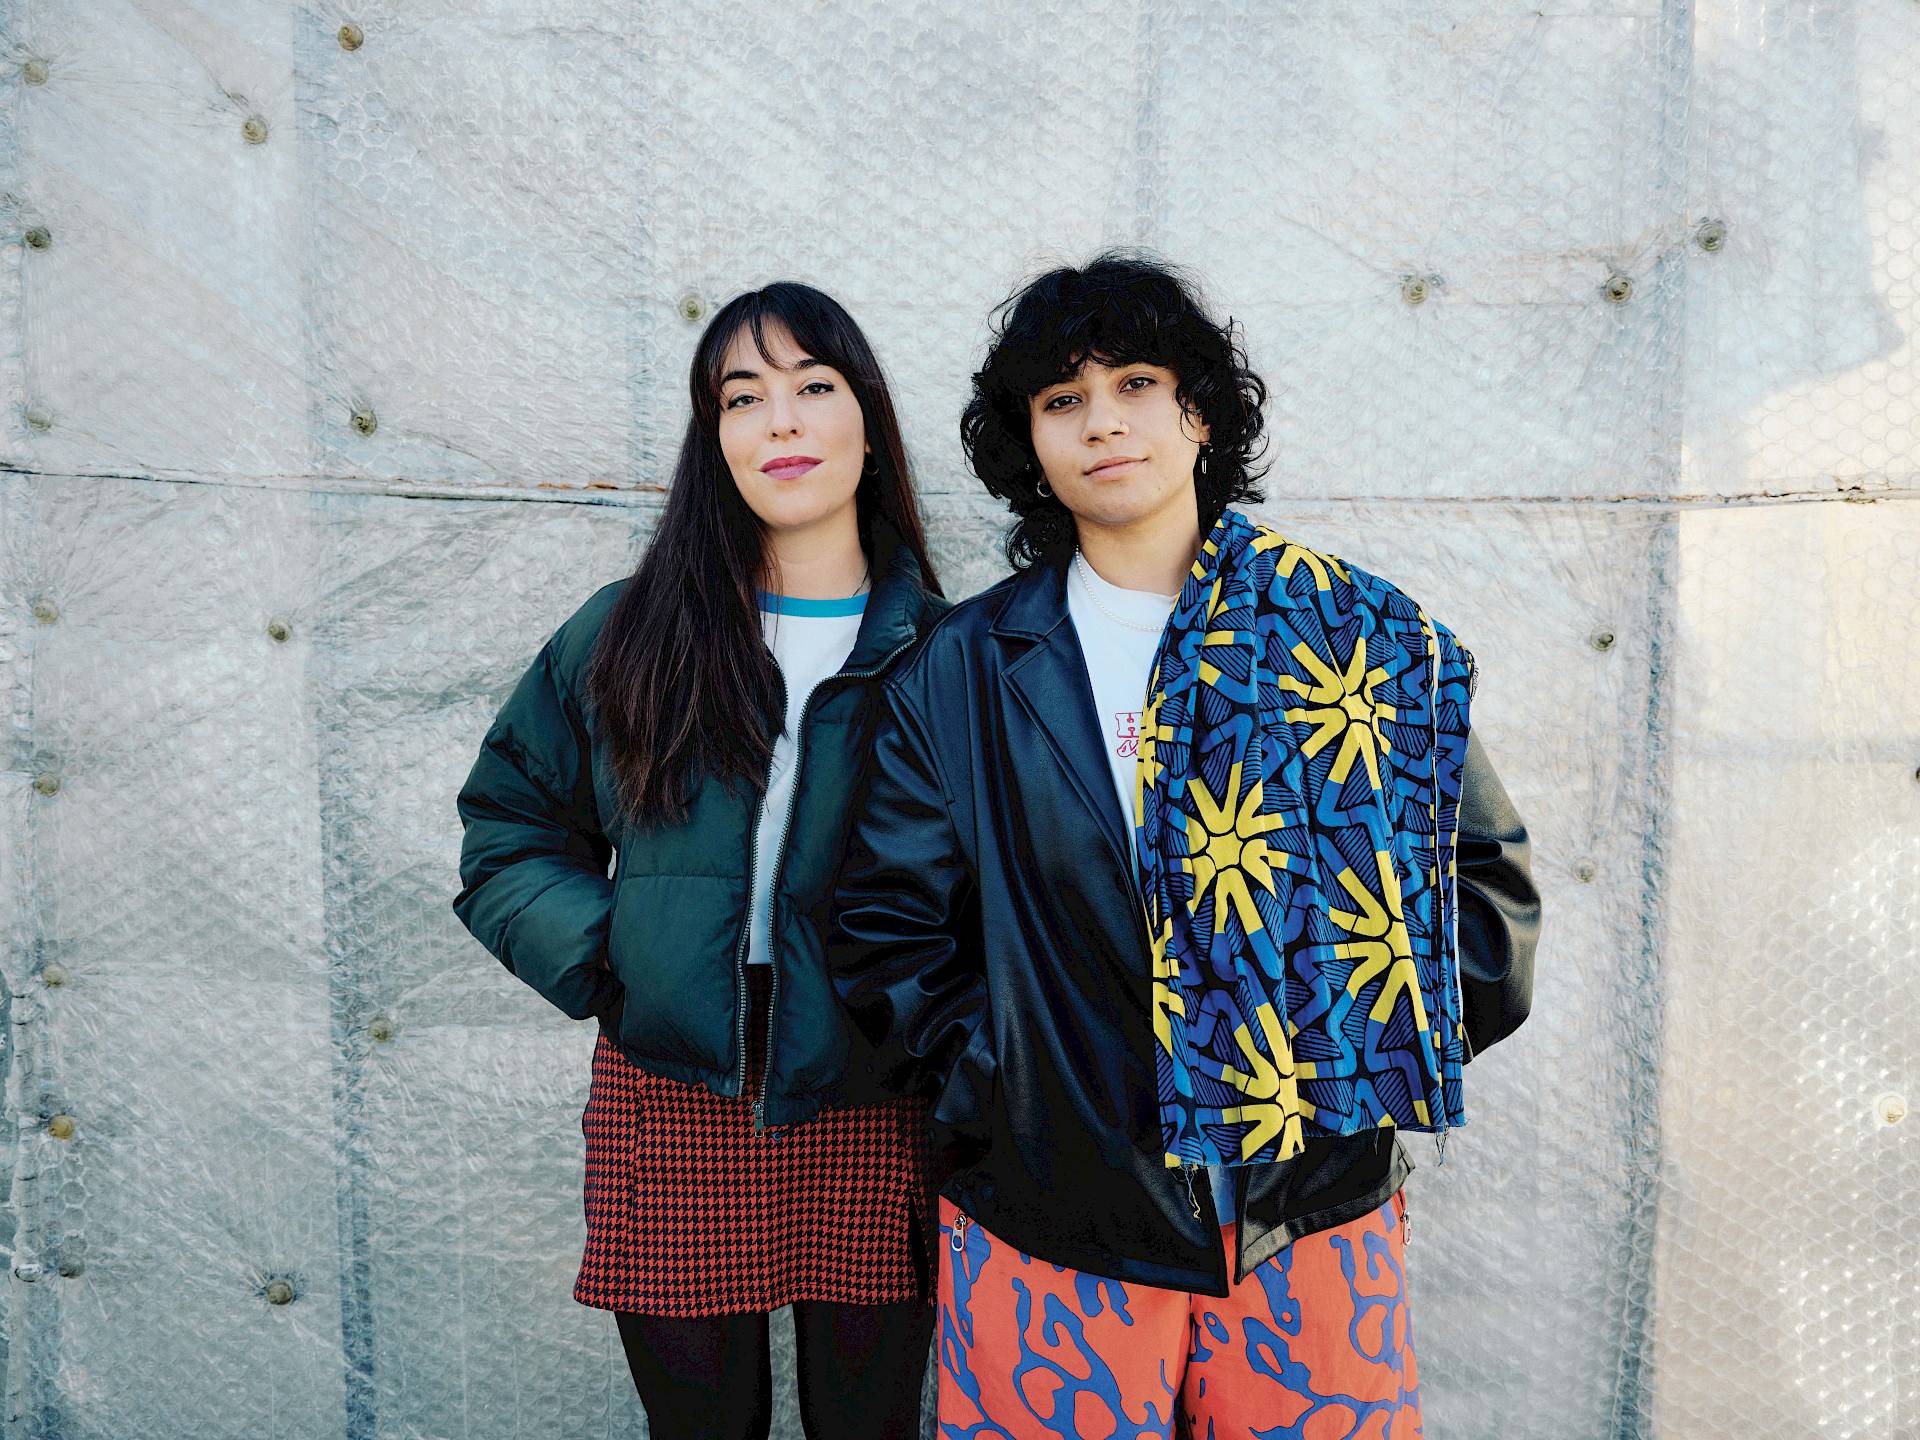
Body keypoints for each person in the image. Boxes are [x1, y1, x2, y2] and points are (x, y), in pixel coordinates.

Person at [828, 251, 1541, 1437]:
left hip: (1313, 1218)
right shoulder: (960, 673)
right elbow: (886, 933)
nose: (1104, 423)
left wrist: (1351, 1055)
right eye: (1063, 400)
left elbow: (1482, 891)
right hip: (1055, 1223)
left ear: (1199, 413)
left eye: (1137, 385)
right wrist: (1024, 1093)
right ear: (1031, 446)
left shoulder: (1351, 635)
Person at [452, 282, 947, 1440]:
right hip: (674, 1080)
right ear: (712, 437)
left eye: (813, 386)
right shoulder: (629, 633)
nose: (782, 421)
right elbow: (509, 830)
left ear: (868, 424)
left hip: (872, 1085)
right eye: (743, 397)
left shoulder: (949, 651)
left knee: (870, 1426)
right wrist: (614, 958)